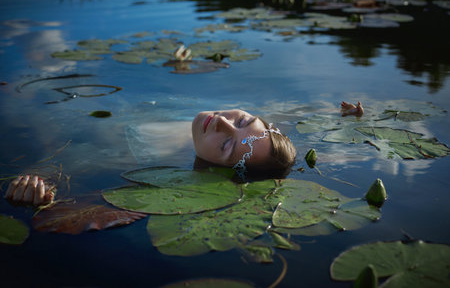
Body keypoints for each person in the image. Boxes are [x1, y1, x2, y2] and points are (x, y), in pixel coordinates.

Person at [5, 109, 297, 206]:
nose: (222, 122)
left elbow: (54, 168)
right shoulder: (199, 117)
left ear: (213, 170)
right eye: (243, 119)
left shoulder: (138, 159)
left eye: (225, 147)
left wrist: (33, 188)